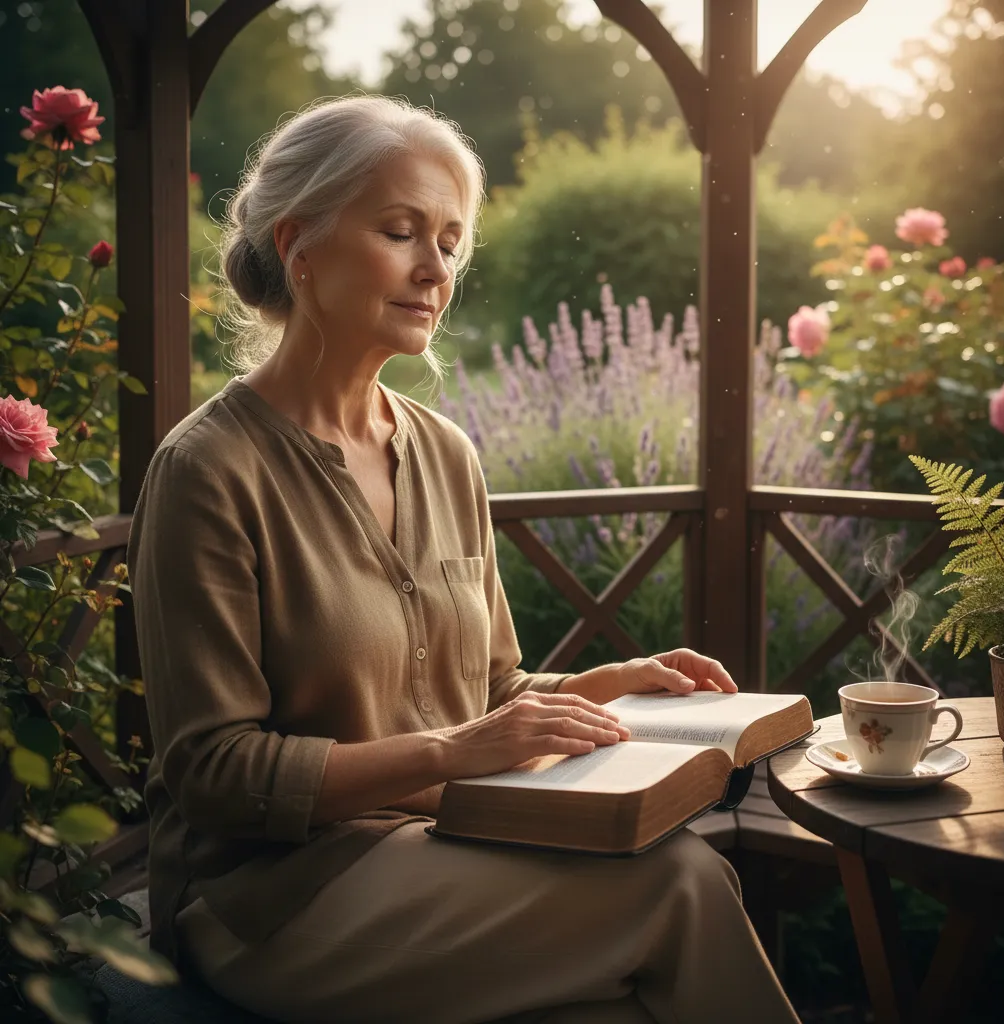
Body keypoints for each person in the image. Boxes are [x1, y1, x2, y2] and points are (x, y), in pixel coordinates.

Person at [127, 94, 799, 1024]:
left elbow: (488, 695)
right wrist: (454, 750)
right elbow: (214, 773)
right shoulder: (207, 470)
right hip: (270, 902)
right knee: (682, 883)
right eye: (401, 232)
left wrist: (603, 688)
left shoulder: (446, 453)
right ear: (301, 246)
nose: (434, 270)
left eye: (450, 241)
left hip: (447, 847)